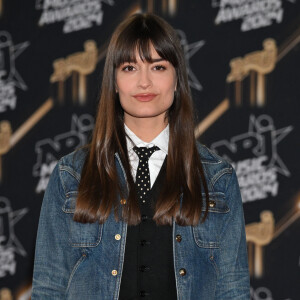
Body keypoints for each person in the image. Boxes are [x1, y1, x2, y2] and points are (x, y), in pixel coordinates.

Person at [31, 13, 250, 300]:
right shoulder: (70, 175)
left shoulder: (217, 178)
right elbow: (48, 289)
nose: (144, 82)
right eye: (130, 67)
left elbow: (233, 291)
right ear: (114, 81)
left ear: (176, 79)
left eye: (158, 67)